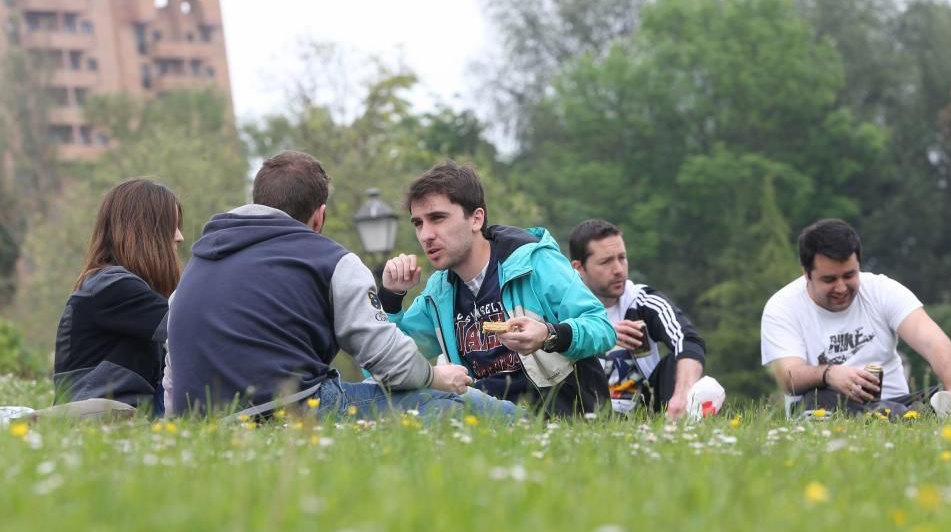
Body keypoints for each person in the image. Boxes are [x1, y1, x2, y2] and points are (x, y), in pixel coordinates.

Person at [166, 151, 518, 420]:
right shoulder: (328, 260)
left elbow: (173, 368)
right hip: (291, 410)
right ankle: (524, 424)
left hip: (199, 421)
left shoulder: (196, 269)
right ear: (319, 215)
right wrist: (436, 377)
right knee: (456, 405)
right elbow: (390, 364)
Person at [379, 162, 615, 417]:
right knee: (385, 400)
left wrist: (548, 335)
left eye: (437, 218)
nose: (426, 235)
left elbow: (602, 328)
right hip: (486, 425)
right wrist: (390, 298)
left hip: (561, 418)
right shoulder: (437, 294)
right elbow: (384, 367)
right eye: (418, 223)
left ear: (476, 218)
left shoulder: (534, 262)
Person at [760, 218, 951, 419]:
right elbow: (788, 377)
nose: (841, 287)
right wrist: (829, 374)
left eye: (849, 275)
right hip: (831, 403)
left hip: (900, 402)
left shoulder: (882, 290)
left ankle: (906, 417)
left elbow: (934, 342)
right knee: (818, 401)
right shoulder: (782, 307)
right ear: (806, 273)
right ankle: (924, 419)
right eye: (829, 280)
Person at [53, 178, 184, 414]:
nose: (179, 237)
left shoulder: (107, 285)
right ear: (146, 232)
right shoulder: (112, 286)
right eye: (171, 226)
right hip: (97, 416)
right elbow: (188, 328)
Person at [569, 219, 719, 418]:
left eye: (622, 258)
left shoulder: (643, 301)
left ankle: (678, 415)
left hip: (648, 409)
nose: (618, 270)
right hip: (585, 411)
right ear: (579, 268)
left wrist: (683, 395)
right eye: (606, 262)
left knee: (681, 363)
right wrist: (600, 335)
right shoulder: (565, 311)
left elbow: (688, 340)